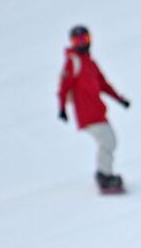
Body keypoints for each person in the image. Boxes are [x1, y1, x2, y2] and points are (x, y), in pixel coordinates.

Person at [56, 25, 130, 194]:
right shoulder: (72, 61)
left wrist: (120, 99)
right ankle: (104, 176)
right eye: (77, 40)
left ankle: (105, 174)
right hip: (87, 113)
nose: (82, 43)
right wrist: (62, 108)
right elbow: (64, 86)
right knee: (108, 141)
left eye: (85, 39)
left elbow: (103, 84)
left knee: (110, 141)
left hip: (98, 112)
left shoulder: (90, 63)